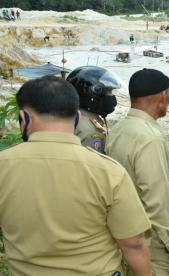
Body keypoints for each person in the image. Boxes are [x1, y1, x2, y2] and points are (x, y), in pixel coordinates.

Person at [0, 76, 152, 276]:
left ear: (24, 118)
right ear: (77, 118)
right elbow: (134, 245)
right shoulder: (108, 172)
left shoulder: (4, 165)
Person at [106, 69, 169, 276]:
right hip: (155, 242)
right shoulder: (149, 138)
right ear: (163, 96)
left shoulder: (119, 130)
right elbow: (157, 200)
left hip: (128, 234)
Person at [67, 66, 120, 153]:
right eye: (109, 91)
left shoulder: (72, 116)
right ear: (94, 94)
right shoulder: (92, 131)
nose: (112, 96)